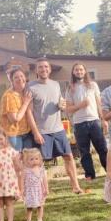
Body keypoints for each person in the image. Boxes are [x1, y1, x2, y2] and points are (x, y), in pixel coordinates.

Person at [25, 58, 83, 194]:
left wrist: (61, 105)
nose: (43, 69)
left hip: (58, 129)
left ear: (49, 69)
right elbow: (28, 112)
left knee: (68, 156)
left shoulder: (56, 84)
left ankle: (76, 187)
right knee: (39, 162)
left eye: (46, 67)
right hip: (42, 131)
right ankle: (41, 189)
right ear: (36, 70)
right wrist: (36, 133)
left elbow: (61, 103)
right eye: (40, 67)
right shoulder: (31, 87)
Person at [65, 63, 107, 181]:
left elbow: (99, 104)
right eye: (76, 70)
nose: (79, 72)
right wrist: (80, 105)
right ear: (73, 72)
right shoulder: (70, 88)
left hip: (94, 121)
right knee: (84, 151)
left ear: (85, 71)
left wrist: (103, 120)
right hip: (79, 124)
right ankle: (90, 175)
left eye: (81, 69)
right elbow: (68, 109)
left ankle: (110, 171)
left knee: (102, 149)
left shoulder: (92, 85)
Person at [0, 68, 34, 151]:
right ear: (11, 80)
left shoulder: (25, 93)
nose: (20, 79)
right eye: (16, 77)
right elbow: (14, 119)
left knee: (27, 159)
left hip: (26, 132)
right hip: (13, 134)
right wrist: (26, 103)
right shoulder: (9, 96)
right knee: (16, 160)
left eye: (22, 76)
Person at [20, 148, 48, 221]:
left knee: (40, 205)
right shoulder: (26, 170)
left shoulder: (41, 169)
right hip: (29, 191)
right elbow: (22, 180)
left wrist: (46, 189)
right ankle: (28, 220)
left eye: (36, 159)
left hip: (39, 190)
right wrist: (22, 189)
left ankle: (40, 218)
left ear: (40, 159)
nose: (34, 160)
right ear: (27, 160)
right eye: (31, 159)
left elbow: (45, 180)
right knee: (29, 206)